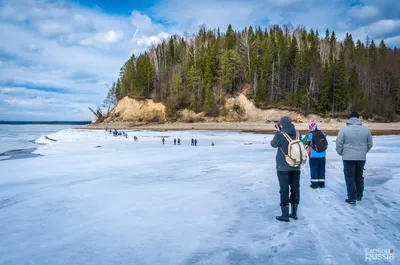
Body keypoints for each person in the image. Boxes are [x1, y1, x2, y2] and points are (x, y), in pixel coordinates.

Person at [336, 112, 373, 206]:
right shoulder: (366, 130)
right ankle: (359, 195)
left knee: (350, 177)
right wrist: (363, 152)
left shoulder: (343, 130)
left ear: (349, 119)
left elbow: (339, 144)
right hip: (361, 158)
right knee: (359, 176)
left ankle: (352, 198)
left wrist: (341, 153)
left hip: (348, 158)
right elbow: (369, 144)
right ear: (358, 119)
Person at [270, 116, 303, 222]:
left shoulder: (280, 135)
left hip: (283, 167)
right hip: (296, 166)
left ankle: (284, 214)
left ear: (281, 124)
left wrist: (278, 132)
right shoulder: (298, 134)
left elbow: (273, 144)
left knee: (284, 190)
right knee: (295, 188)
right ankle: (294, 213)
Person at [302, 122, 328, 189]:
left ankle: (314, 184)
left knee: (314, 169)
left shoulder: (310, 134)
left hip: (313, 155)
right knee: (321, 169)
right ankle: (322, 184)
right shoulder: (322, 133)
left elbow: (303, 142)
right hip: (322, 154)